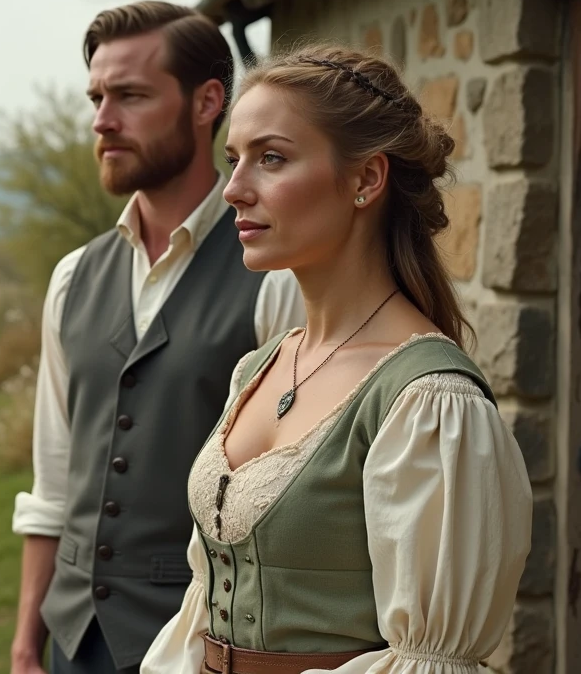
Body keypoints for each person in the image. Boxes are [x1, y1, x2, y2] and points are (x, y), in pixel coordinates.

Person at [139, 43, 534, 674]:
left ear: (366, 179)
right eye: (233, 159)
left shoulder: (429, 401)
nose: (235, 190)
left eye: (271, 159)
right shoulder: (258, 368)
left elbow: (430, 660)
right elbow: (207, 600)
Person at [9, 0, 307, 674]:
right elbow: (52, 483)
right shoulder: (72, 278)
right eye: (96, 97)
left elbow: (294, 504)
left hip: (204, 645)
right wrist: (28, 640)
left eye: (130, 96)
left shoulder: (275, 280)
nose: (102, 121)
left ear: (207, 103)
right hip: (72, 642)